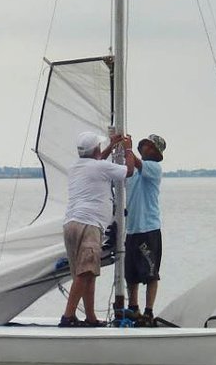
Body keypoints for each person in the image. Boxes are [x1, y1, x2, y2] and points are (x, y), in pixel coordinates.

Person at [59, 131, 135, 327]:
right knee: (85, 274)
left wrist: (111, 145)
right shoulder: (100, 166)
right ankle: (68, 317)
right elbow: (129, 171)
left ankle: (91, 317)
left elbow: (97, 160)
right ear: (96, 149)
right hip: (89, 225)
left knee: (87, 273)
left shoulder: (76, 166)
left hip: (71, 224)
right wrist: (128, 149)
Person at [124, 134, 166, 326]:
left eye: (150, 147)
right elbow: (128, 166)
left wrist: (127, 148)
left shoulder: (154, 168)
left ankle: (149, 312)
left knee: (150, 272)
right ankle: (133, 309)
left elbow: (137, 163)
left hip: (148, 228)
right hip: (132, 229)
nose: (146, 148)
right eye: (145, 145)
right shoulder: (132, 170)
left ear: (156, 153)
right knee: (131, 273)